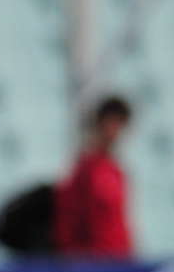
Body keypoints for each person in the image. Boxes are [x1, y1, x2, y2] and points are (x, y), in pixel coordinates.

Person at [52, 94, 135, 257]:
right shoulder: (85, 169)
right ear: (99, 124)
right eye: (112, 123)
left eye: (120, 125)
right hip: (92, 262)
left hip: (117, 260)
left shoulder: (116, 171)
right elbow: (68, 221)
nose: (116, 132)